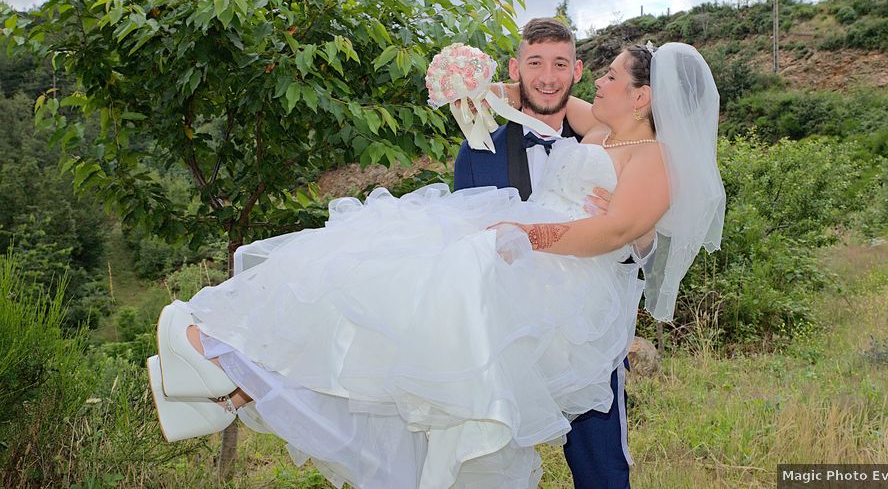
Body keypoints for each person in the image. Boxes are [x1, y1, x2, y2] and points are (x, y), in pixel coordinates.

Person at [147, 41, 725, 489]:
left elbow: (621, 229)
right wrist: (470, 83)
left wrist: (534, 234)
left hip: (560, 276)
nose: (598, 80)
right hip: (530, 251)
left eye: (611, 76)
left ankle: (226, 367)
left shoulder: (653, 157)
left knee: (433, 308)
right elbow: (532, 93)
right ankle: (227, 366)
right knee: (389, 277)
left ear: (642, 96)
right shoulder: (598, 128)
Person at [454, 17, 649, 488]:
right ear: (514, 67)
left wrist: (631, 238)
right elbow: (461, 242)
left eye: (560, 64)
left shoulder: (610, 142)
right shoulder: (476, 151)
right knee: (488, 466)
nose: (547, 76)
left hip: (584, 339)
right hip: (500, 339)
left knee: (603, 472)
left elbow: (640, 239)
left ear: (577, 70)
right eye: (534, 63)